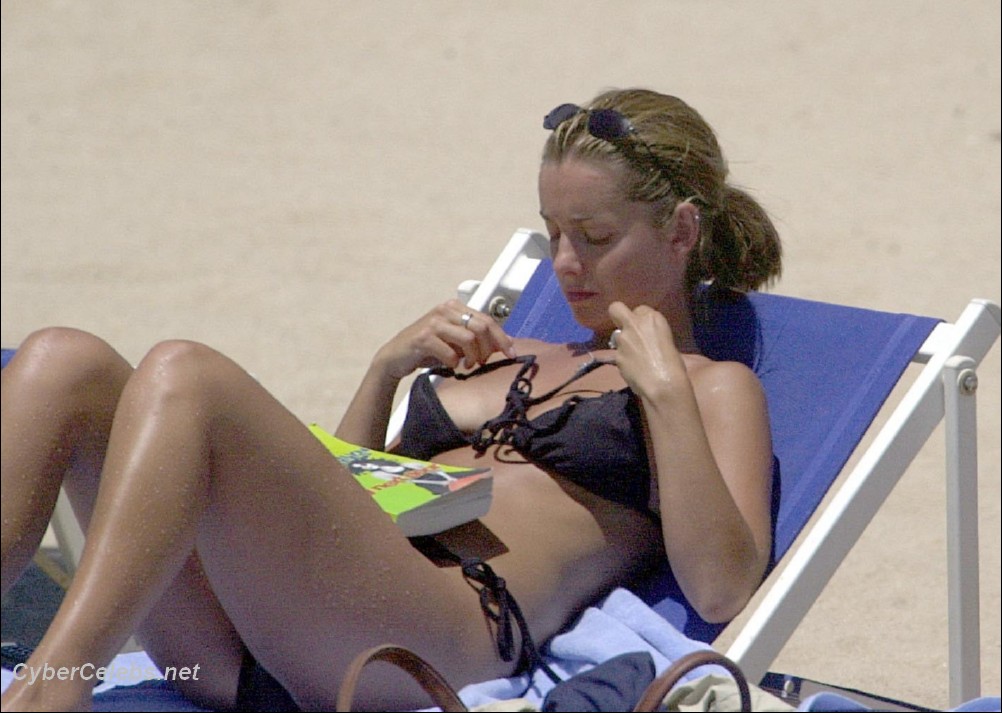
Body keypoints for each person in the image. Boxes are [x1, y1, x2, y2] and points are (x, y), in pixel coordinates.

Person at [0, 87, 782, 712]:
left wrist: (664, 395)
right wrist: (384, 374)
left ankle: (49, 689)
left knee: (185, 374)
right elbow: (342, 484)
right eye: (553, 234)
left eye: (596, 236)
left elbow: (722, 585)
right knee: (62, 360)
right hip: (268, 633)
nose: (566, 263)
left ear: (681, 231)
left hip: (425, 639)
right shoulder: (509, 348)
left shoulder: (710, 386)